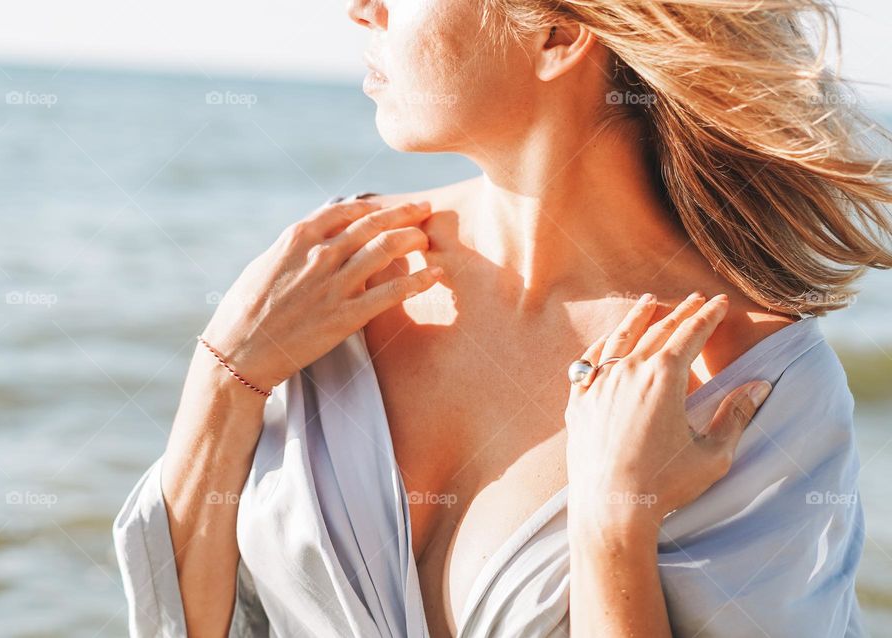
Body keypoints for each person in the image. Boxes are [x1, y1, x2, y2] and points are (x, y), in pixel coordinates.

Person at [114, 0, 892, 636]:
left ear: (557, 34)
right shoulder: (336, 271)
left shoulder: (749, 382)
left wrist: (613, 523)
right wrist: (226, 376)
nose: (361, 10)